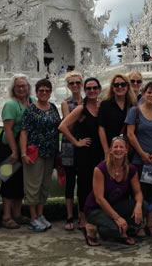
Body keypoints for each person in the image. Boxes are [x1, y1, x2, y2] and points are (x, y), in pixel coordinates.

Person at [58, 77, 104, 235]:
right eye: (89, 88)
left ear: (99, 89)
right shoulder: (80, 109)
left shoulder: (101, 106)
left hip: (99, 151)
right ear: (85, 91)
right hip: (84, 151)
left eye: (94, 88)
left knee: (96, 185)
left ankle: (95, 214)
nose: (92, 91)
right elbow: (62, 126)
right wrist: (76, 142)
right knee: (84, 185)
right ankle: (82, 217)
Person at [84, 136, 145, 246]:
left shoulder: (131, 169)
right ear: (110, 150)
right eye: (115, 147)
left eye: (121, 147)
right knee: (114, 229)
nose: (118, 149)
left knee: (144, 207)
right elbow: (99, 199)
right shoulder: (100, 169)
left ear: (126, 150)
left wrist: (138, 206)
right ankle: (93, 228)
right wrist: (117, 218)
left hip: (114, 205)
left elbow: (138, 192)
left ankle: (119, 228)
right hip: (96, 209)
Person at [20, 79, 61, 232]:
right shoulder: (30, 109)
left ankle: (40, 214)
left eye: (47, 90)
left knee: (45, 185)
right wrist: (23, 153)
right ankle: (33, 217)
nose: (44, 93)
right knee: (33, 185)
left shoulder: (53, 108)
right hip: (34, 153)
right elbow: (24, 132)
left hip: (50, 152)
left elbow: (59, 127)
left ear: (50, 92)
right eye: (41, 90)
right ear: (36, 92)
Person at [125, 82, 152, 236]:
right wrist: (141, 153)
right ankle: (139, 225)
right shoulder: (134, 111)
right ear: (144, 93)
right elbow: (130, 134)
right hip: (139, 160)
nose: (151, 95)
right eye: (149, 92)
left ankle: (150, 224)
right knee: (138, 193)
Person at [0, 74, 34, 229]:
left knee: (20, 181)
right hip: (9, 148)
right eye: (18, 86)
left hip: (24, 148)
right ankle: (6, 216)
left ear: (28, 87)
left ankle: (17, 214)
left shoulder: (31, 102)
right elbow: (8, 130)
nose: (22, 89)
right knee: (8, 181)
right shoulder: (11, 104)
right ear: (13, 88)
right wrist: (14, 151)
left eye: (24, 86)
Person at [60, 72, 84, 231]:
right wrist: (81, 117)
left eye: (77, 83)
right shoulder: (65, 103)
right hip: (70, 145)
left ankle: (82, 215)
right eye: (72, 83)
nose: (75, 86)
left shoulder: (89, 100)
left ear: (81, 84)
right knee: (70, 182)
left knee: (83, 183)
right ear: (68, 86)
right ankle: (69, 215)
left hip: (84, 146)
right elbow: (67, 125)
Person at [98, 74, 137, 156]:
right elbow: (101, 128)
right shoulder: (105, 104)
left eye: (123, 84)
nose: (120, 87)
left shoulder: (132, 105)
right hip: (111, 148)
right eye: (116, 85)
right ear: (112, 87)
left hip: (128, 148)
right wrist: (106, 150)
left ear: (127, 87)